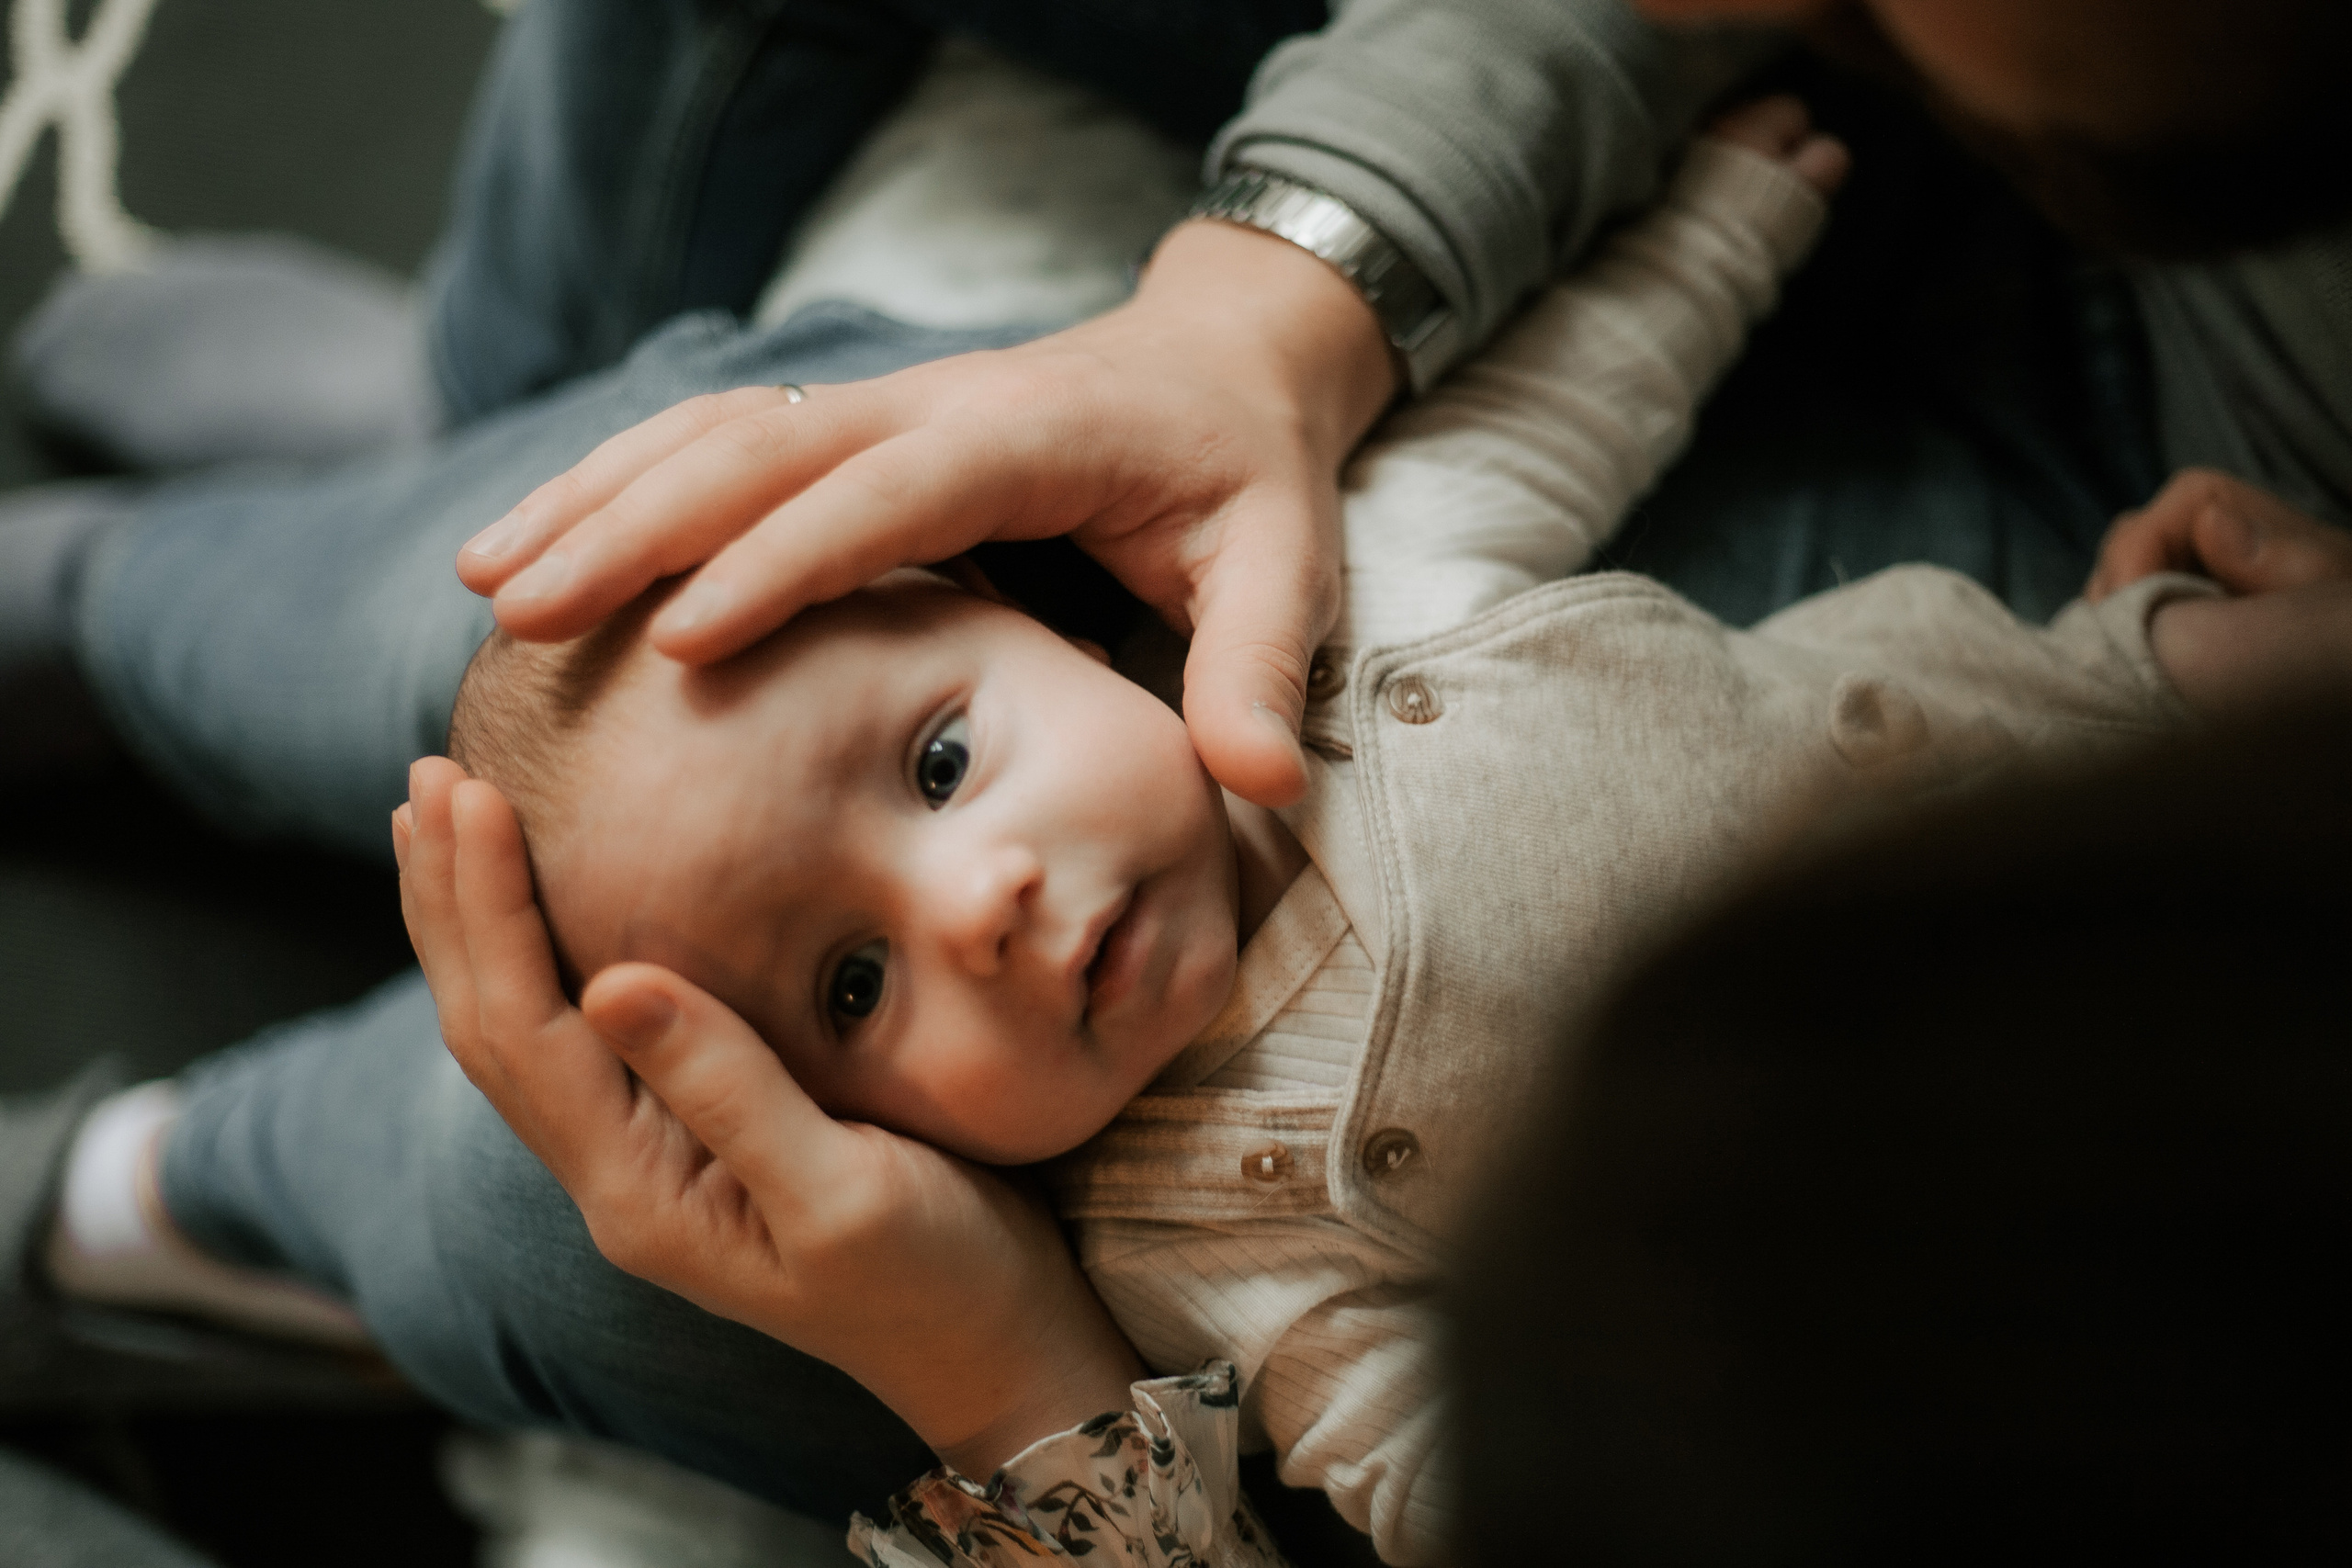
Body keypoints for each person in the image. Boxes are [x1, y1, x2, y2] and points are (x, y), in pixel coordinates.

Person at [399, 105, 2349, 1563]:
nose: (976, 902)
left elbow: (1545, 431)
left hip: (2096, 786)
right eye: (848, 982)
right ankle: (296, 530)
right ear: (844, 1126)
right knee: (495, 649)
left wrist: (1726, 223)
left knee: (472, 1163)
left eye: (933, 766)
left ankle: (278, 590)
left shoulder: (1342, 639)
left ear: (1046, 622)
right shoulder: (1196, 1239)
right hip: (2141, 726)